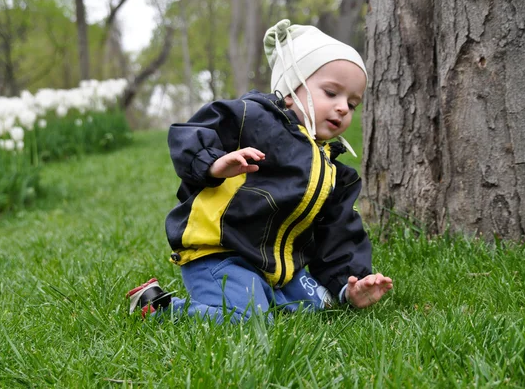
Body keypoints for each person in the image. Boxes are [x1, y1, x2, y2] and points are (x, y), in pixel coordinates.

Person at [127, 19, 393, 322]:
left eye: (352, 103)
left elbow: (339, 234)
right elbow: (189, 132)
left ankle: (271, 295)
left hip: (279, 271)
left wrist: (351, 284)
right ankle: (157, 308)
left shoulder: (334, 173)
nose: (343, 107)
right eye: (331, 93)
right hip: (221, 255)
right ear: (292, 89)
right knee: (249, 318)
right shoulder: (254, 117)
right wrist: (213, 163)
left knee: (325, 305)